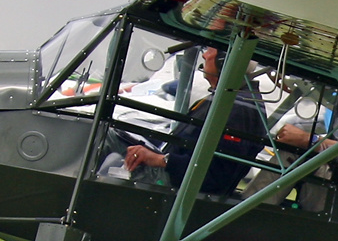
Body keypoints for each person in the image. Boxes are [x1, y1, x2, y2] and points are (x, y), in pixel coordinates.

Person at [123, 46, 316, 194]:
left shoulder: (238, 109)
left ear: (225, 61)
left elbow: (217, 176)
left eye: (210, 51)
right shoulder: (226, 99)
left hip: (186, 198)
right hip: (174, 187)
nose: (205, 55)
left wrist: (160, 160)